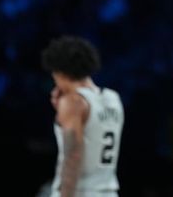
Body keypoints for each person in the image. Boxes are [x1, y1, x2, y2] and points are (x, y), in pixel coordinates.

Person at [42, 35, 125, 197]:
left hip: (80, 192)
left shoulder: (72, 102)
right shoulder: (113, 98)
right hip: (108, 191)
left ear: (59, 72)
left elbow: (73, 156)